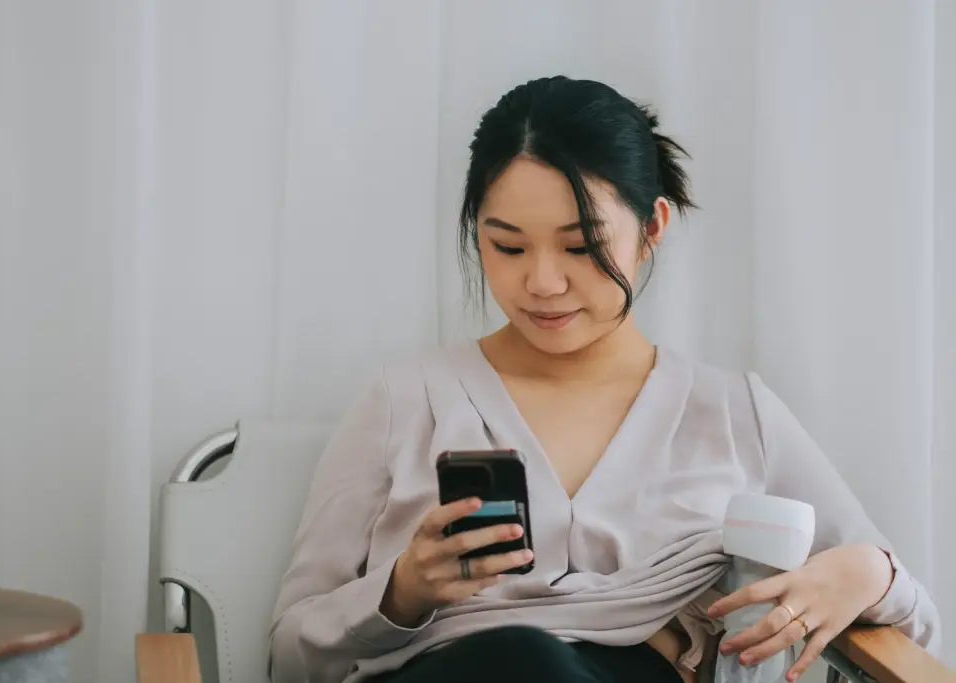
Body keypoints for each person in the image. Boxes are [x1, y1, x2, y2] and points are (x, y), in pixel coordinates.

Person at [268, 76, 941, 683]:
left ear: (651, 228)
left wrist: (867, 570)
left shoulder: (735, 413)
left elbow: (919, 633)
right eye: (507, 246)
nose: (543, 282)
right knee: (522, 659)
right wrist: (402, 592)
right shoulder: (404, 401)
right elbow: (289, 655)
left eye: (581, 246)